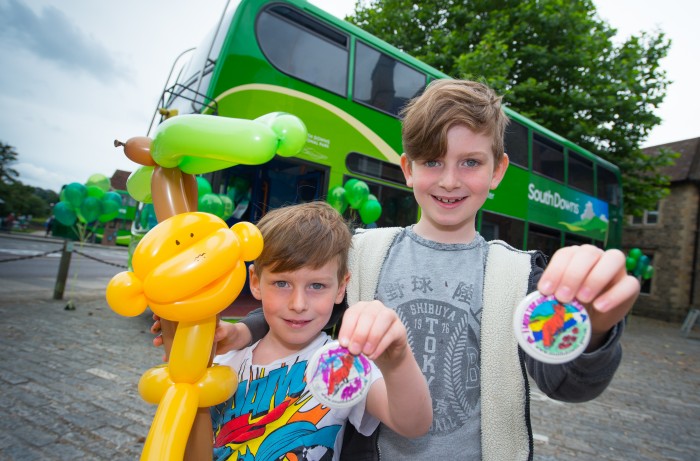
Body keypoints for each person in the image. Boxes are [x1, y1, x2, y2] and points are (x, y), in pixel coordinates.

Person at [201, 79, 640, 460]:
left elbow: (567, 385)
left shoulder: (519, 274)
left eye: (470, 162)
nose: (450, 180)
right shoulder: (362, 252)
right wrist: (247, 330)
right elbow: (306, 303)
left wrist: (594, 329)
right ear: (408, 169)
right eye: (432, 162)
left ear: (497, 171)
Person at [184, 201, 431, 461]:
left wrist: (398, 360)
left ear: (340, 288)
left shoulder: (341, 367)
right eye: (282, 283)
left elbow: (412, 424)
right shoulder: (225, 358)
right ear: (255, 282)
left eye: (316, 286)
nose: (298, 304)